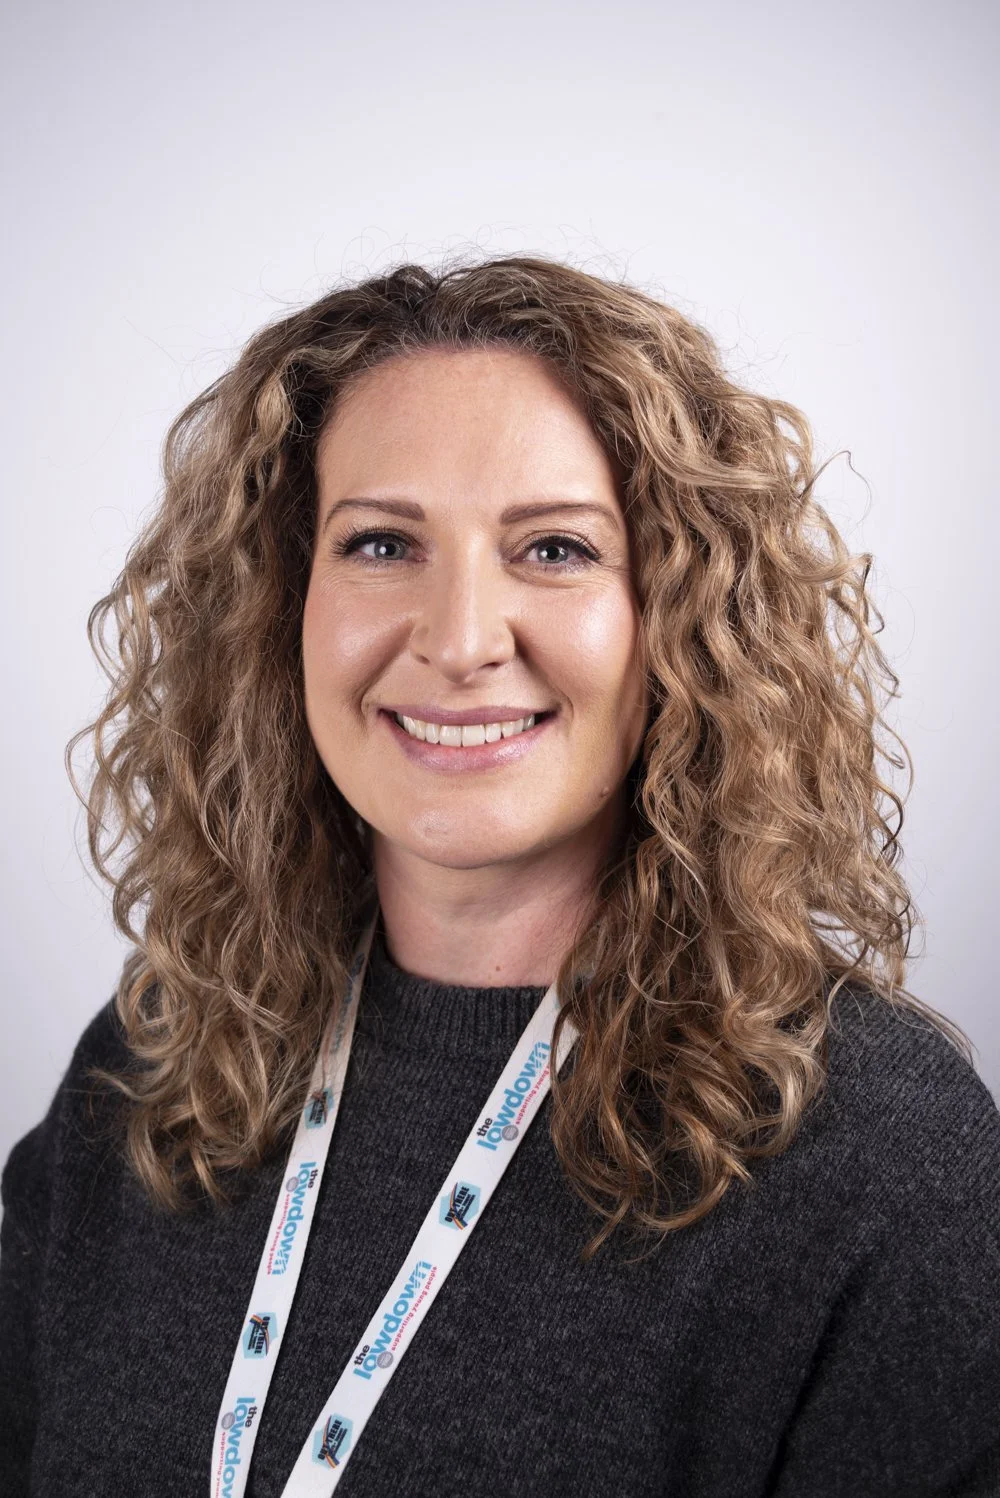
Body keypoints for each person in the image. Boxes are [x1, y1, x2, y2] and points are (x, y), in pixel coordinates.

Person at [1, 255, 998, 1498]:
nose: (462, 637)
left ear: (682, 618)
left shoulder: (874, 1155)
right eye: (379, 542)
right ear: (280, 608)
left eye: (554, 549)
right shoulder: (159, 1068)